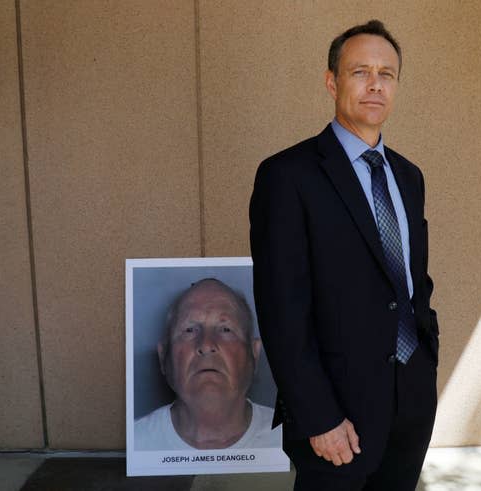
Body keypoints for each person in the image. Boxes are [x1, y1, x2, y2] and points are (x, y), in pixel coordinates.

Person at [249, 20, 439, 490]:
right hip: (337, 415)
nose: (375, 84)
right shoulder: (287, 176)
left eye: (387, 74)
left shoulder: (409, 176)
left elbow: (413, 282)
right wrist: (318, 417)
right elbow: (282, 312)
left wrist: (426, 366)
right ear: (332, 81)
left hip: (410, 402)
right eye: (360, 72)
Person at [134, 278, 280, 450]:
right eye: (189, 330)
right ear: (163, 357)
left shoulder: (286, 441)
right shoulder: (138, 441)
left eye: (225, 329)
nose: (206, 345)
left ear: (254, 354)